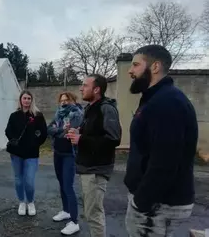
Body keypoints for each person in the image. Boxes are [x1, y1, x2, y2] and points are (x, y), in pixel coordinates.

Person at [124, 45, 198, 236]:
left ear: (154, 67)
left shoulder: (167, 102)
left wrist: (141, 202)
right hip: (154, 203)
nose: (130, 71)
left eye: (135, 65)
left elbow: (165, 161)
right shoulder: (155, 99)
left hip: (157, 206)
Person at [66, 74, 121, 237]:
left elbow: (113, 139)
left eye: (85, 85)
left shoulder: (106, 108)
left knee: (94, 214)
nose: (81, 88)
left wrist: (81, 139)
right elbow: (94, 133)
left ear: (96, 89)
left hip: (96, 170)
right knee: (91, 213)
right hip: (87, 168)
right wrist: (78, 132)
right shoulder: (90, 108)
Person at [5, 90, 47, 216]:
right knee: (18, 180)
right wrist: (13, 140)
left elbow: (43, 133)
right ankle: (21, 202)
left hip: (31, 153)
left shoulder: (37, 116)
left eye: (29, 98)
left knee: (29, 180)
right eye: (25, 98)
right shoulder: (14, 115)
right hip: (16, 153)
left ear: (31, 100)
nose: (27, 100)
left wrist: (35, 143)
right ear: (20, 100)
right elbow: (8, 130)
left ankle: (30, 201)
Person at [47, 92, 83, 235]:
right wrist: (60, 130)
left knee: (68, 186)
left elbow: (69, 133)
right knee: (61, 183)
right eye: (61, 100)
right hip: (58, 152)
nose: (64, 103)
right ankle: (66, 211)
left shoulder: (77, 114)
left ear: (73, 100)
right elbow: (49, 129)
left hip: (69, 154)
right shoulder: (58, 113)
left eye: (67, 100)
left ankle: (74, 222)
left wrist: (58, 131)